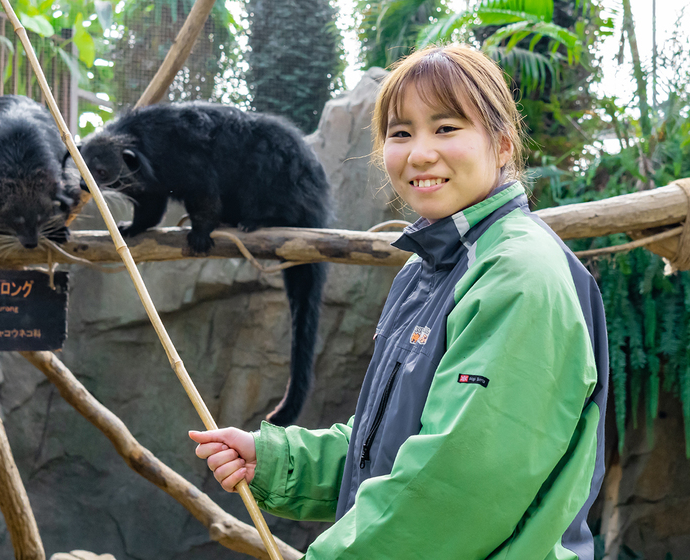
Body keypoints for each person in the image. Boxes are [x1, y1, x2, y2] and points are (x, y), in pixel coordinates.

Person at [189, 44, 609, 559]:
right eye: (401, 132)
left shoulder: (517, 273)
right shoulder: (425, 267)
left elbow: (453, 486)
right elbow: (388, 444)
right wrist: (277, 461)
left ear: (502, 146)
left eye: (447, 128)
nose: (419, 153)